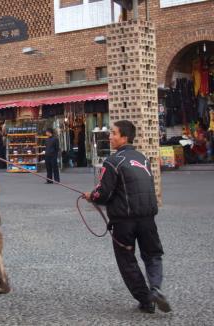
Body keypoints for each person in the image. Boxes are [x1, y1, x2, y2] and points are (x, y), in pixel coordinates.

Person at [83, 120, 171, 314]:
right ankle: (156, 288)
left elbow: (103, 194)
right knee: (153, 255)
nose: (110, 136)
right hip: (148, 218)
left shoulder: (112, 162)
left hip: (124, 221)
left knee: (126, 260)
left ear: (124, 137)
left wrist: (91, 196)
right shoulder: (143, 158)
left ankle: (146, 300)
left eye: (113, 133)